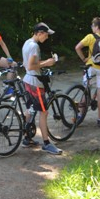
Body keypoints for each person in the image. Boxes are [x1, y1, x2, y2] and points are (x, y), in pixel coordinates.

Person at [21, 22, 62, 155]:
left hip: (27, 80)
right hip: (35, 82)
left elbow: (28, 64)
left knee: (30, 109)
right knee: (43, 112)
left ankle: (27, 138)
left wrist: (43, 63)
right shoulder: (34, 46)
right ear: (40, 33)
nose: (47, 37)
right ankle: (46, 143)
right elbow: (31, 65)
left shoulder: (27, 43)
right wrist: (47, 63)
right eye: (46, 35)